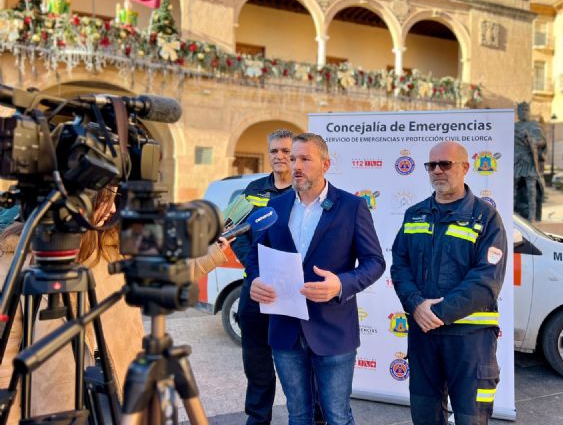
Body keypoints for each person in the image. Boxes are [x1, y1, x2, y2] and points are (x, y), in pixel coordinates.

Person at [0, 186, 229, 421]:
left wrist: (211, 253)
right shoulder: (16, 257)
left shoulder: (116, 243)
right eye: (106, 198)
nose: (112, 208)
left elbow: (162, 274)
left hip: (121, 386)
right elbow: (5, 355)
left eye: (116, 199)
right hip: (56, 399)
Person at [248, 133, 385, 425]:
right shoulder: (276, 207)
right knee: (298, 415)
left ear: (325, 164)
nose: (294, 165)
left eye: (304, 159)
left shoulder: (351, 207)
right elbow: (255, 255)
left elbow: (375, 262)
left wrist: (341, 285)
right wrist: (256, 281)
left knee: (337, 416)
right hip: (285, 331)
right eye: (293, 158)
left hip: (333, 331)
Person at [390, 141, 507, 425]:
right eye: (432, 165)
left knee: (471, 418)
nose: (437, 171)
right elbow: (400, 266)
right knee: (425, 416)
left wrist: (436, 314)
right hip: (424, 338)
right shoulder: (415, 214)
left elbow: (485, 282)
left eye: (446, 164)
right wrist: (416, 305)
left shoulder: (486, 217)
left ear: (465, 168)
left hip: (470, 340)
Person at [232, 129, 295, 425]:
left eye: (285, 151)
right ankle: (257, 418)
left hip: (295, 290)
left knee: (300, 360)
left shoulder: (304, 190)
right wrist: (254, 271)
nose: (279, 156)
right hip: (255, 287)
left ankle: (312, 416)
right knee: (256, 361)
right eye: (274, 151)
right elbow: (234, 233)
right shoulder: (253, 190)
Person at [514, 101, 546, 221]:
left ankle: (532, 215)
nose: (524, 113)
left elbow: (542, 142)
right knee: (513, 189)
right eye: (521, 110)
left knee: (531, 190)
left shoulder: (534, 125)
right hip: (516, 161)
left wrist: (532, 140)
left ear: (529, 112)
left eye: (526, 110)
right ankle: (513, 214)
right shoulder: (514, 127)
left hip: (530, 161)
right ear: (518, 113)